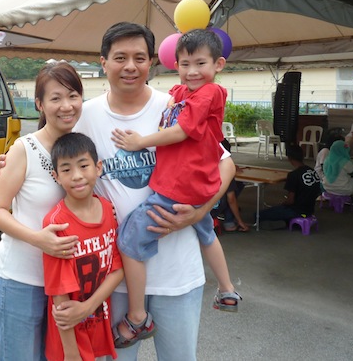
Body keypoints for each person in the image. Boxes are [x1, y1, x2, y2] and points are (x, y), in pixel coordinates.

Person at [54, 22, 236, 361]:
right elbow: (51, 154)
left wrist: (200, 211)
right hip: (115, 276)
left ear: (151, 62)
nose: (130, 66)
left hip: (177, 274)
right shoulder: (86, 116)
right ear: (103, 62)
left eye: (139, 57)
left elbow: (225, 164)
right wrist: (15, 157)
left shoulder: (177, 105)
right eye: (120, 57)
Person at [108, 29, 239, 346]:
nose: (192, 71)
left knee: (128, 239)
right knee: (207, 232)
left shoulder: (209, 93)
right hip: (195, 186)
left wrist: (141, 141)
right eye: (184, 64)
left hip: (178, 189)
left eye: (200, 64)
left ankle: (137, 318)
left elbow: (183, 132)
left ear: (218, 64)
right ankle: (227, 290)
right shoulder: (183, 93)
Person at [0, 62, 88, 361]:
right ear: (40, 104)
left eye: (73, 95)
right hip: (23, 279)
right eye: (55, 98)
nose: (66, 106)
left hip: (69, 284)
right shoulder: (24, 149)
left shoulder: (82, 147)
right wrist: (38, 239)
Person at [43, 132, 124, 361]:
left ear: (98, 167)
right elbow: (60, 296)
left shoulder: (109, 210)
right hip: (69, 340)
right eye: (67, 169)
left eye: (83, 165)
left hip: (98, 325)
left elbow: (117, 269)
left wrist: (88, 307)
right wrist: (70, 353)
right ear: (56, 176)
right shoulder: (57, 223)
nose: (77, 176)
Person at [257, 146, 321, 226]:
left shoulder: (293, 175)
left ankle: (284, 222)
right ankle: (286, 221)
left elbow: (290, 200)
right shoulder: (312, 171)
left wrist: (283, 204)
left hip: (296, 210)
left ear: (289, 158)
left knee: (258, 215)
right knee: (279, 211)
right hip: (310, 209)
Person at [212, 139, 249, 232]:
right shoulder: (227, 172)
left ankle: (228, 220)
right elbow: (231, 199)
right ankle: (229, 222)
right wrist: (240, 221)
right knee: (232, 193)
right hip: (212, 207)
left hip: (197, 206)